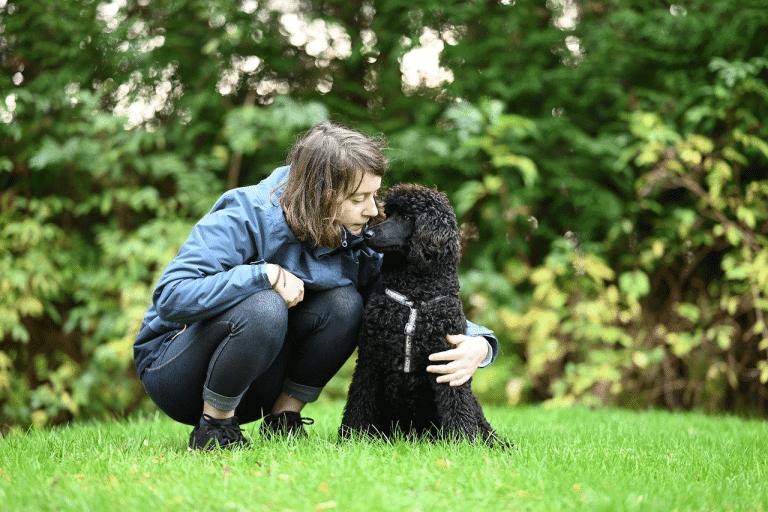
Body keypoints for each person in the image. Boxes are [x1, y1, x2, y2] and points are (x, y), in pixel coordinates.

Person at [133, 121, 499, 450]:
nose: (373, 210)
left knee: (345, 303)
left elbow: (406, 304)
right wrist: (263, 275)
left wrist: (480, 344)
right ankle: (215, 428)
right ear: (319, 195)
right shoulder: (246, 214)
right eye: (358, 199)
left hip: (257, 382)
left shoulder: (356, 235)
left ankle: (284, 420)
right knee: (265, 304)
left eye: (374, 195)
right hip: (178, 376)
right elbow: (171, 296)